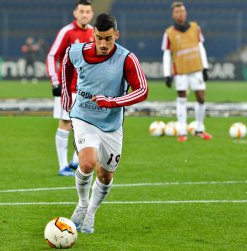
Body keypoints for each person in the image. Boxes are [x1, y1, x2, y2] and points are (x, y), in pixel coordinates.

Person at [62, 13, 148, 233]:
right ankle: (82, 205)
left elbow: (142, 90)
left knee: (105, 174)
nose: (102, 44)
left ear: (116, 35)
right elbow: (66, 61)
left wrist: (112, 102)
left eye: (108, 39)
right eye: (98, 38)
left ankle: (91, 212)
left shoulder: (127, 58)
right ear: (93, 34)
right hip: (83, 116)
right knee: (88, 163)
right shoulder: (78, 51)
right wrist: (66, 92)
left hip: (111, 124)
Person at [46, 0, 94, 176]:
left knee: (87, 125)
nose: (84, 14)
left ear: (91, 14)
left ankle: (75, 160)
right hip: (67, 88)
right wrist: (55, 81)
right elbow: (53, 55)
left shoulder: (93, 33)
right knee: (66, 123)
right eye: (81, 11)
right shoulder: (67, 32)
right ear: (75, 13)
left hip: (86, 89)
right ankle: (62, 166)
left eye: (87, 11)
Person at [162, 2, 212, 142]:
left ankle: (200, 129)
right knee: (182, 98)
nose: (180, 14)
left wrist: (205, 67)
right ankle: (182, 131)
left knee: (201, 97)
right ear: (173, 14)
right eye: (177, 12)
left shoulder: (195, 28)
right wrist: (167, 73)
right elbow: (166, 54)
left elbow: (201, 47)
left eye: (182, 11)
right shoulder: (169, 33)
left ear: (186, 13)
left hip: (196, 68)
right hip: (180, 71)